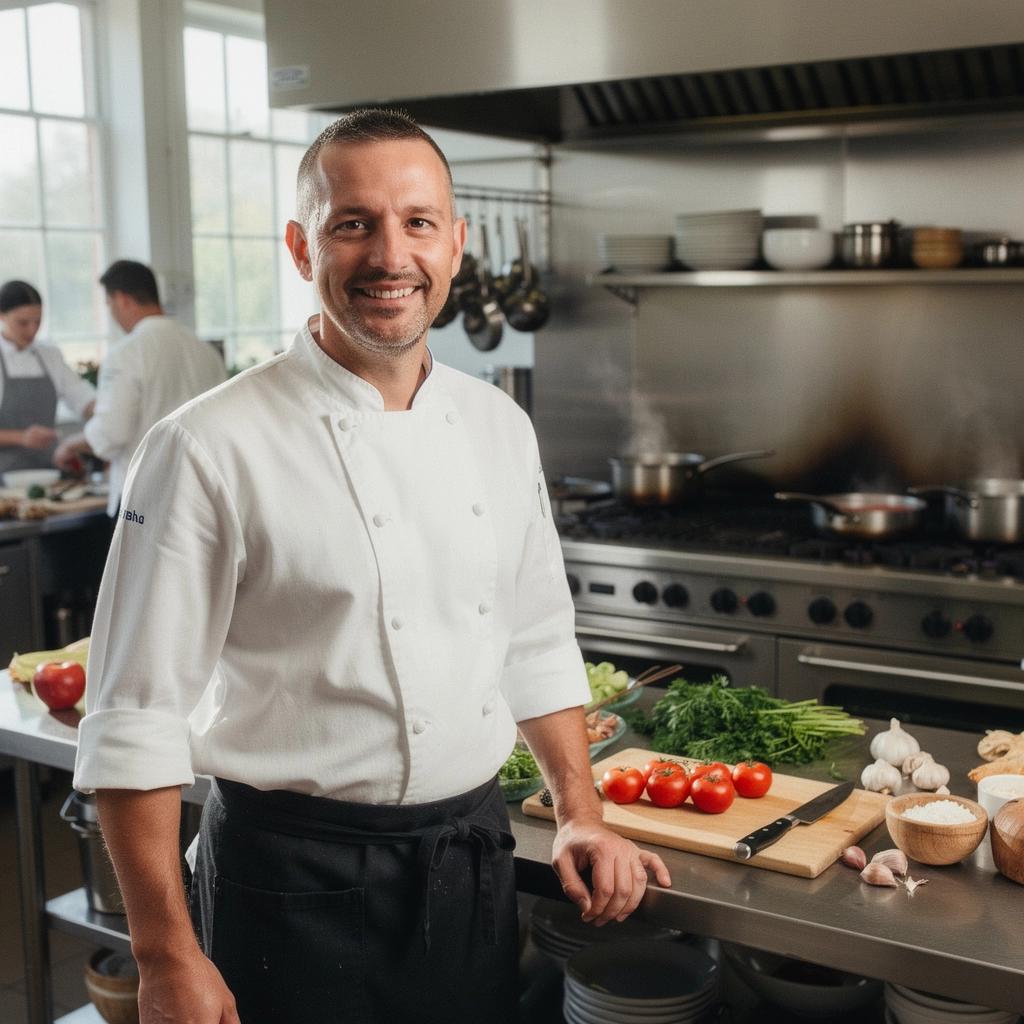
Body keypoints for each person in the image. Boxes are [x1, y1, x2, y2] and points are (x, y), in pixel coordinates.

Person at [73, 109, 671, 1024]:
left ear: (457, 244)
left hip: (468, 869)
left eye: (418, 222)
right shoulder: (205, 446)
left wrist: (580, 810)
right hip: (287, 887)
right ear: (300, 247)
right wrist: (163, 956)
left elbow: (538, 642)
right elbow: (133, 719)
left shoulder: (498, 427)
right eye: (353, 223)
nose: (392, 254)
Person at [54, 260, 227, 514]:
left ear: (122, 299)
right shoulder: (206, 351)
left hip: (145, 499)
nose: (112, 314)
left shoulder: (126, 353)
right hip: (200, 497)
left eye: (109, 305)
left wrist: (71, 444)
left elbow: (112, 433)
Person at [0, 280, 95, 475]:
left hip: (50, 471)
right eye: (23, 323)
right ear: (1, 315)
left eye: (38, 321)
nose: (32, 330)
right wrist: (21, 437)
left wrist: (110, 418)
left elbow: (83, 399)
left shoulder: (50, 355)